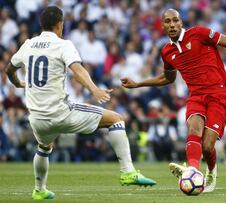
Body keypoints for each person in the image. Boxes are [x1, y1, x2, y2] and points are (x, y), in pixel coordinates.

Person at [5, 6, 156, 200]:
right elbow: (77, 69)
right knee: (116, 119)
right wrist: (95, 90)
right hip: (61, 113)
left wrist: (18, 83)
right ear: (60, 24)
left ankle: (39, 190)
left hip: (37, 118)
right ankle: (128, 172)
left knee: (44, 148)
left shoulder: (28, 45)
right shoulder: (63, 44)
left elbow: (9, 69)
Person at [121, 8, 226, 193]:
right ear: (162, 26)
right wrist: (138, 84)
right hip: (196, 96)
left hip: (219, 93)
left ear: (181, 22)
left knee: (208, 146)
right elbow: (168, 78)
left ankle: (210, 170)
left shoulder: (199, 33)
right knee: (194, 128)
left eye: (175, 20)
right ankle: (193, 170)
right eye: (167, 22)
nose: (172, 25)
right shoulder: (167, 51)